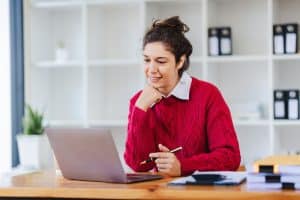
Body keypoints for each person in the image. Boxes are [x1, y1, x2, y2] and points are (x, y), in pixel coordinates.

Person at [124, 16, 241, 177]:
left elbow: (230, 157)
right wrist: (140, 110)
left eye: (161, 61)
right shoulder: (139, 101)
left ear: (180, 61)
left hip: (199, 192)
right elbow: (137, 165)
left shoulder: (208, 95)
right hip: (157, 192)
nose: (151, 69)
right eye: (146, 60)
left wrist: (182, 166)